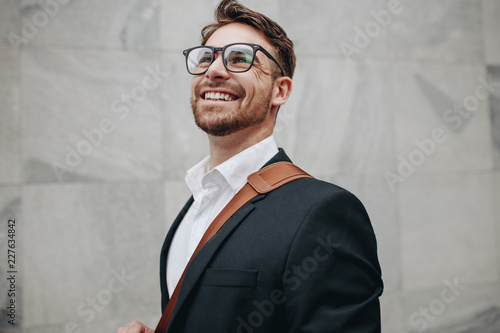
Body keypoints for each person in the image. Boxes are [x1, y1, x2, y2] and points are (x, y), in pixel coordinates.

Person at [118, 0, 383, 332]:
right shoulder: (195, 206)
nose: (213, 70)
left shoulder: (326, 212)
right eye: (205, 58)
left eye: (240, 58)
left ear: (279, 91)